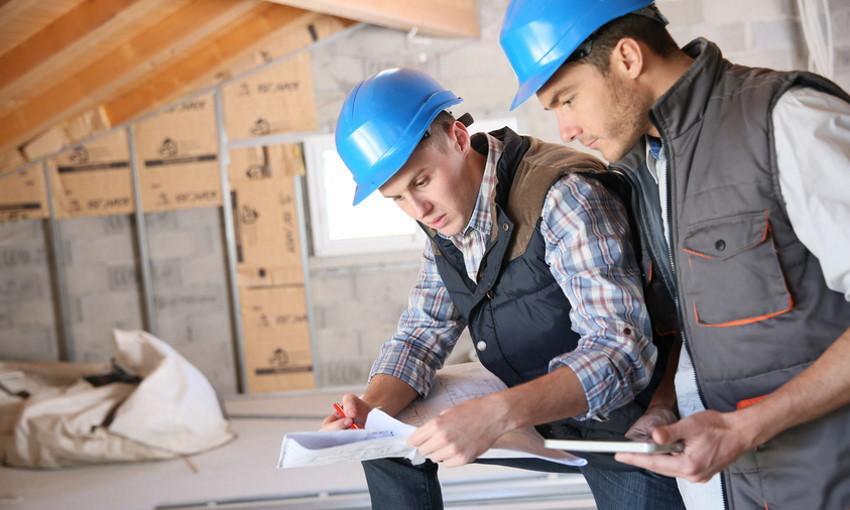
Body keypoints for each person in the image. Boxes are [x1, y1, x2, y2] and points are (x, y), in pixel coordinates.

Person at [499, 1, 850, 508]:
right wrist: (665, 405)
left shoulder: (786, 119)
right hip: (756, 488)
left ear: (626, 57)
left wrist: (745, 428)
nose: (566, 131)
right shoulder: (648, 170)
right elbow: (694, 322)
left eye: (568, 100)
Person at [320, 67, 685, 509]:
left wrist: (495, 414)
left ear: (457, 137)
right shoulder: (446, 218)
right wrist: (368, 408)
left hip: (619, 414)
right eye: (397, 198)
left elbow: (619, 353)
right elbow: (420, 334)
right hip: (527, 400)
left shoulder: (564, 196)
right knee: (384, 433)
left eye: (421, 181)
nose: (418, 209)